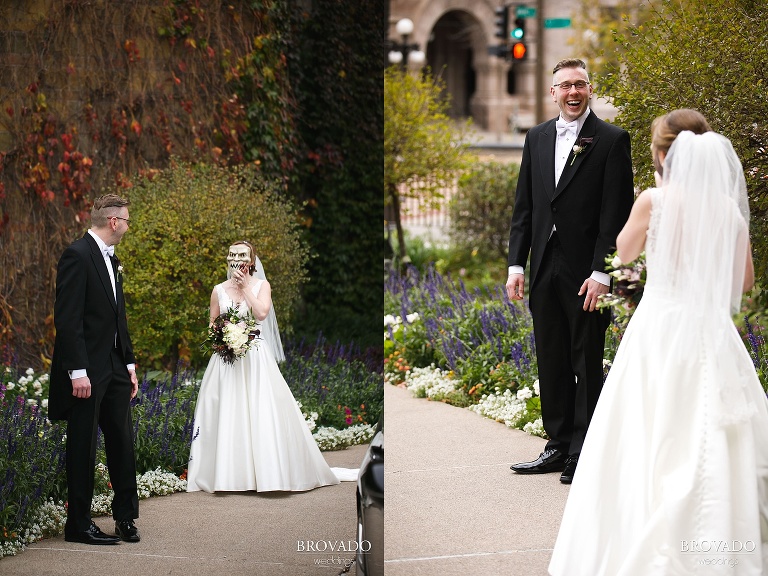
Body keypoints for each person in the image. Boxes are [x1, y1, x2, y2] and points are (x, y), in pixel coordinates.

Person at [549, 111, 768, 575]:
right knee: (711, 426)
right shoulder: (727, 208)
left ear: (663, 153)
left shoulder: (655, 199)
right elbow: (745, 282)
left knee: (649, 428)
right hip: (711, 331)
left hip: (662, 328)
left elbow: (623, 253)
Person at [506, 58, 634, 483]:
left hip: (587, 274)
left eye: (580, 84)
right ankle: (557, 445)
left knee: (586, 358)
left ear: (590, 89)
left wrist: (602, 273)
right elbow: (524, 207)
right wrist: (515, 264)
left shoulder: (612, 140)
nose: (573, 92)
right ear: (553, 92)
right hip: (543, 266)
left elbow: (615, 215)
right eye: (565, 86)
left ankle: (584, 450)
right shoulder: (537, 137)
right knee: (552, 357)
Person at [186, 241, 356, 492]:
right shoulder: (218, 290)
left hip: (255, 360)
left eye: (242, 256)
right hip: (226, 361)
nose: (236, 261)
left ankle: (266, 473)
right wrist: (222, 338)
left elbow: (262, 313)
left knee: (260, 410)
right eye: (232, 256)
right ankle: (228, 475)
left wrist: (245, 288)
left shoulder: (262, 285)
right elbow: (212, 323)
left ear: (251, 261)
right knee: (227, 412)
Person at [49, 194, 141, 545]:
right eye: (128, 220)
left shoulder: (112, 259)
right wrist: (78, 371)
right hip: (87, 371)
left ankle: (125, 518)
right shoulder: (77, 254)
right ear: (113, 221)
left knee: (122, 442)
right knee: (83, 447)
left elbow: (118, 316)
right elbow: (67, 318)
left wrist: (129, 364)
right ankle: (79, 523)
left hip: (115, 367)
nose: (129, 226)